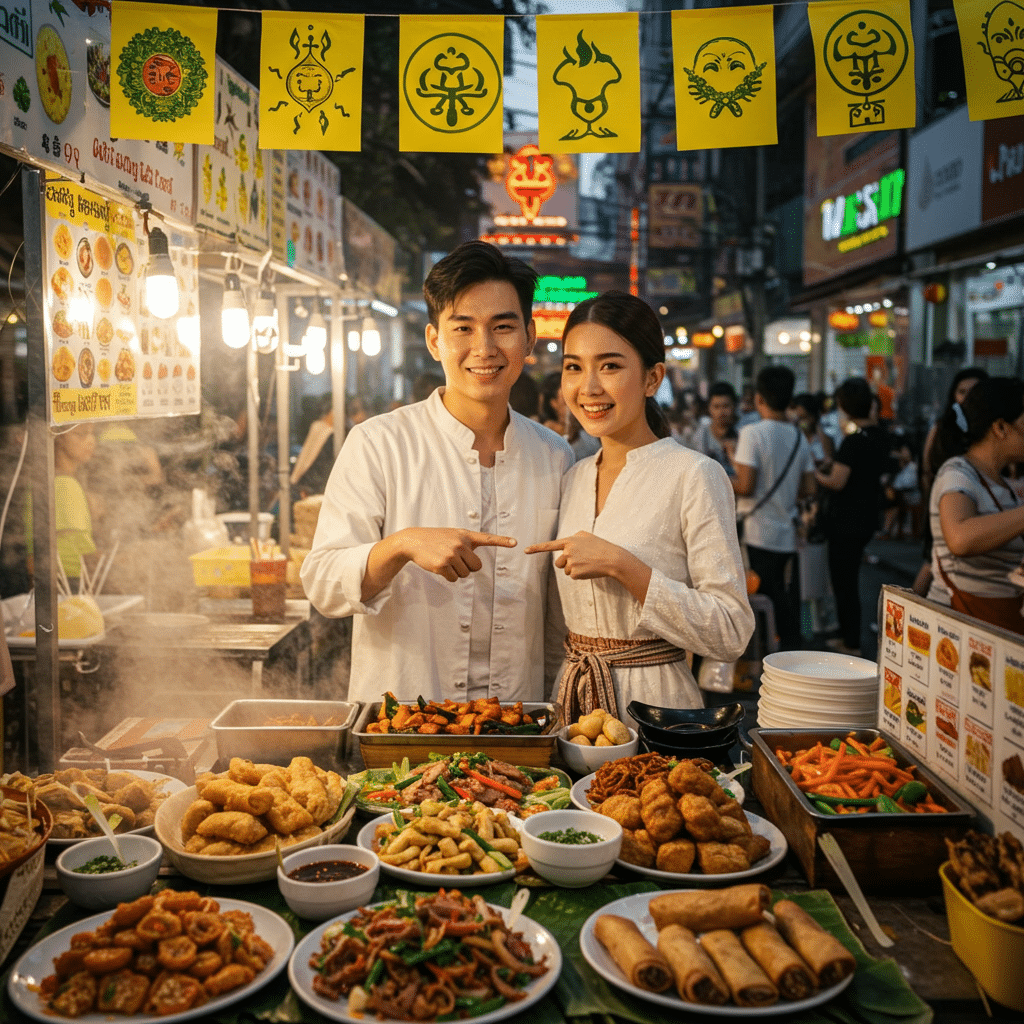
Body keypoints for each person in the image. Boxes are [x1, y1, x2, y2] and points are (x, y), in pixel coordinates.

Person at [301, 241, 573, 704]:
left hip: (517, 721)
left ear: (528, 337)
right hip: (403, 722)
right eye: (463, 328)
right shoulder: (378, 443)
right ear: (434, 341)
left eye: (502, 327)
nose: (484, 348)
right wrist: (401, 545)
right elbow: (323, 581)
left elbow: (555, 611)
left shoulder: (556, 455)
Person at [524, 292, 753, 719]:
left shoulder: (694, 475)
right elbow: (559, 625)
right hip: (571, 707)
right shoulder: (571, 478)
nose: (589, 387)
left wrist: (624, 567)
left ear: (652, 379)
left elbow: (731, 630)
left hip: (656, 712)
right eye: (574, 367)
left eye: (610, 366)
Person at [927, 377, 1024, 634]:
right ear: (1001, 428)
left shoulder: (1003, 484)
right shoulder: (957, 472)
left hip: (997, 624)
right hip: (959, 629)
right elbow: (960, 539)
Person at [732, 366, 815, 651]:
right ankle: (786, 648)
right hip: (786, 532)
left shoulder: (752, 434)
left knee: (762, 596)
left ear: (759, 399)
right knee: (781, 594)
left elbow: (745, 486)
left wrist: (718, 477)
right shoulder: (799, 437)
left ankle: (765, 653)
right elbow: (809, 488)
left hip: (757, 531)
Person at [815, 377, 893, 654]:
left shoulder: (853, 442)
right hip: (868, 515)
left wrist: (814, 475)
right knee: (849, 578)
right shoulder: (881, 436)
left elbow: (837, 482)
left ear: (845, 407)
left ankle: (850, 641)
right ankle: (848, 635)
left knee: (844, 580)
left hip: (846, 519)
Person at [913, 368, 988, 595]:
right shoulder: (943, 428)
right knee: (933, 563)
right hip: (945, 507)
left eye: (973, 391)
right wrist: (932, 502)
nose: (966, 398)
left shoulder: (991, 430)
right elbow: (926, 468)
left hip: (981, 509)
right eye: (961, 391)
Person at [688, 381, 738, 476]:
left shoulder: (742, 434)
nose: (721, 412)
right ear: (709, 408)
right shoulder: (700, 436)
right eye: (716, 407)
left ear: (734, 406)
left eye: (726, 406)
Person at [789, 392, 834, 467]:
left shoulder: (822, 439)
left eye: (803, 417)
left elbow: (829, 461)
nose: (800, 422)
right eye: (797, 418)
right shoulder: (791, 438)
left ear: (813, 417)